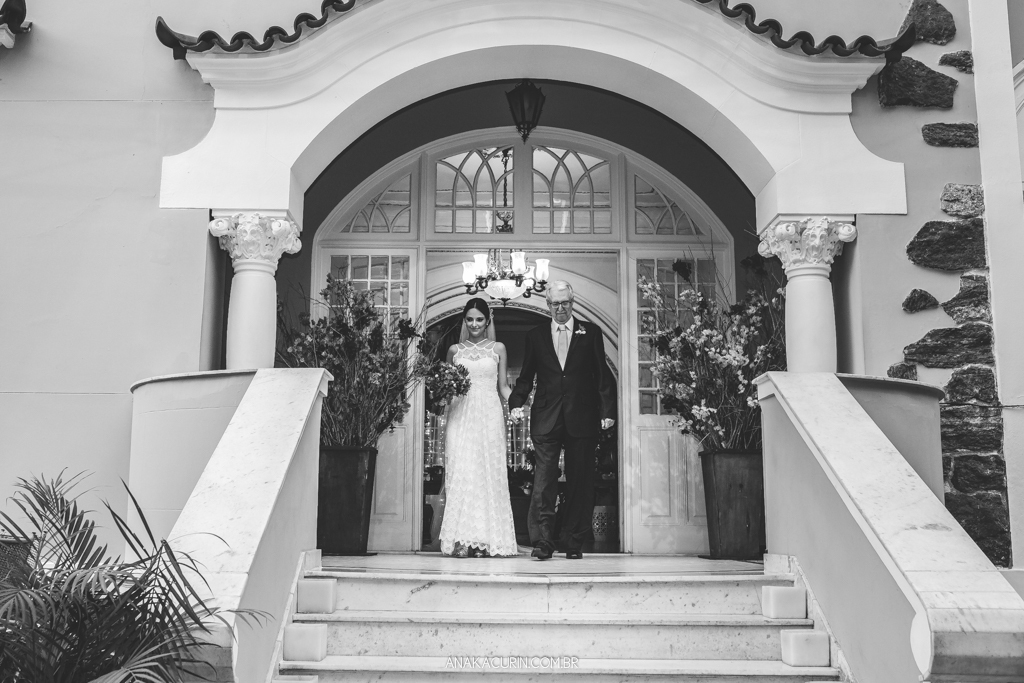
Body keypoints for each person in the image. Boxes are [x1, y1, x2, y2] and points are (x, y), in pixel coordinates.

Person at [509, 281, 616, 560]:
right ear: (547, 304)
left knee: (581, 481)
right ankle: (543, 541)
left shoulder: (590, 332)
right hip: (546, 416)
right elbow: (526, 376)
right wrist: (516, 403)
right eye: (555, 304)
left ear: (573, 302)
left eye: (565, 303)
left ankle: (573, 541)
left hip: (582, 416)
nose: (560, 308)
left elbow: (601, 374)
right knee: (544, 481)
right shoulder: (536, 335)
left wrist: (607, 411)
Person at [439, 298, 518, 558]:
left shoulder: (498, 348)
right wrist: (439, 396)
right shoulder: (454, 351)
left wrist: (518, 405)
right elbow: (447, 390)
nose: (474, 324)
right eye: (470, 319)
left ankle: (484, 540)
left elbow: (504, 387)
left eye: (479, 319)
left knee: (486, 476)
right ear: (465, 321)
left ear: (487, 321)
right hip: (461, 416)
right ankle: (461, 540)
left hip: (489, 416)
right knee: (462, 473)